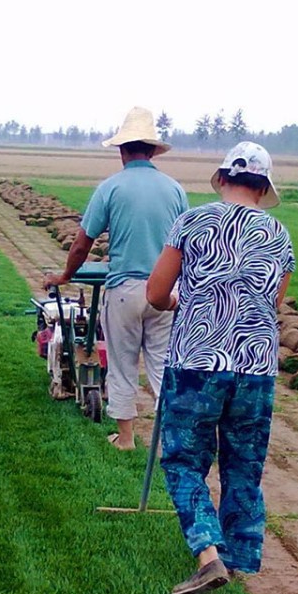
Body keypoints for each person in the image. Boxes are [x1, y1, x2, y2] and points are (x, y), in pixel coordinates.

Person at [147, 141, 295, 594]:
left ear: (223, 179)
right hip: (256, 367)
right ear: (263, 186)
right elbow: (274, 304)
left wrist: (180, 302)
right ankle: (239, 558)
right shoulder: (280, 235)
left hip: (197, 362)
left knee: (183, 459)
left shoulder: (191, 221)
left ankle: (208, 557)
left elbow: (156, 293)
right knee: (243, 464)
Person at [44, 107, 188, 450]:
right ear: (152, 150)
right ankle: (170, 441)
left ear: (122, 150)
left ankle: (125, 439)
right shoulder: (175, 190)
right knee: (162, 366)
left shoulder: (110, 188)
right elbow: (187, 245)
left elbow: (82, 243)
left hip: (124, 289)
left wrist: (65, 275)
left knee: (122, 366)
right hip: (165, 293)